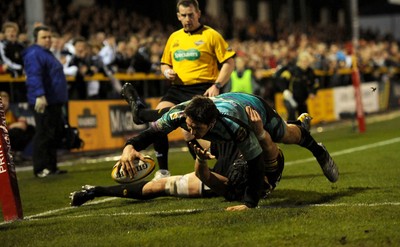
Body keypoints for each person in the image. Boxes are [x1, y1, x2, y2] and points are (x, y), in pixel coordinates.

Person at [110, 92, 339, 209]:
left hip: (252, 107)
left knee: (284, 135)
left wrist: (250, 203)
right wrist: (129, 146)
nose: (189, 129)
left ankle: (318, 150)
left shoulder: (235, 126)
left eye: (196, 127)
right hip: (222, 109)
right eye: (188, 124)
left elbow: (256, 161)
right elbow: (153, 133)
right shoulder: (180, 114)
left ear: (211, 124)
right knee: (166, 125)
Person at [70, 108, 285, 211]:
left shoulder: (229, 186)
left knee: (161, 186)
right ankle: (144, 112)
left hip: (221, 162)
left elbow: (205, 175)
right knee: (188, 128)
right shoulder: (270, 164)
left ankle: (96, 191)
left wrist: (200, 160)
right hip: (233, 144)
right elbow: (268, 144)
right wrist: (260, 132)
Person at [122, 0, 235, 180]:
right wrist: (166, 71)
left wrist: (217, 85)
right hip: (177, 89)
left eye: (191, 14)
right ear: (178, 16)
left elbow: (229, 62)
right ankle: (164, 170)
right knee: (158, 121)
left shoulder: (211, 35)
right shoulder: (174, 37)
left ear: (198, 13)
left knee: (187, 129)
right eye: (184, 15)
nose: (187, 19)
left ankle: (141, 113)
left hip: (202, 89)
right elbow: (164, 63)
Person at [22, 25, 68, 178]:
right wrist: (39, 95)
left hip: (54, 101)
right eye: (44, 37)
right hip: (44, 101)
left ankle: (51, 166)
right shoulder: (35, 53)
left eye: (49, 37)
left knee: (52, 134)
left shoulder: (45, 53)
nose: (48, 39)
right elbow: (34, 75)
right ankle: (40, 168)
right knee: (43, 133)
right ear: (36, 39)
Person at [275, 51, 318, 121]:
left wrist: (313, 92)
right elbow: (280, 79)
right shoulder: (293, 70)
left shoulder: (310, 72)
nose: (305, 63)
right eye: (303, 61)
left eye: (307, 61)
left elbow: (314, 84)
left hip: (302, 100)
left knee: (306, 120)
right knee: (292, 116)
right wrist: (284, 90)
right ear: (300, 61)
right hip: (290, 98)